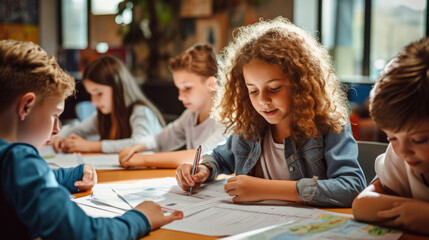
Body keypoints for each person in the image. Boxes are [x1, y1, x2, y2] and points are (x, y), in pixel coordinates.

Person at [0, 40, 182, 239]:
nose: (56, 129)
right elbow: (84, 233)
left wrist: (72, 175)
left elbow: (25, 181)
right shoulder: (19, 159)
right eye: (55, 115)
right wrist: (141, 218)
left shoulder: (11, 162)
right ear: (26, 106)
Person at [175, 17, 366, 207]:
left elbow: (352, 186)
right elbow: (220, 157)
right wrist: (203, 169)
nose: (263, 101)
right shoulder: (251, 123)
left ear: (300, 84)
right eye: (253, 90)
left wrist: (264, 189)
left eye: (274, 88)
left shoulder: (329, 124)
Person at [352, 38, 429, 236]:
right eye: (391, 138)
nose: (402, 150)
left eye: (419, 139)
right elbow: (362, 205)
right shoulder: (401, 157)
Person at [119, 43, 229, 168]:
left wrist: (143, 159)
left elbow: (201, 156)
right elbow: (158, 140)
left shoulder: (227, 119)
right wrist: (135, 148)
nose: (180, 96)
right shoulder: (191, 115)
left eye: (187, 88)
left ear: (211, 84)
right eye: (179, 89)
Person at [52, 54, 165, 153]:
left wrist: (91, 146)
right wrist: (61, 137)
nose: (94, 101)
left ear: (118, 89)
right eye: (91, 94)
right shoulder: (105, 115)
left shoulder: (141, 111)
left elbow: (141, 143)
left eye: (99, 93)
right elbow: (77, 129)